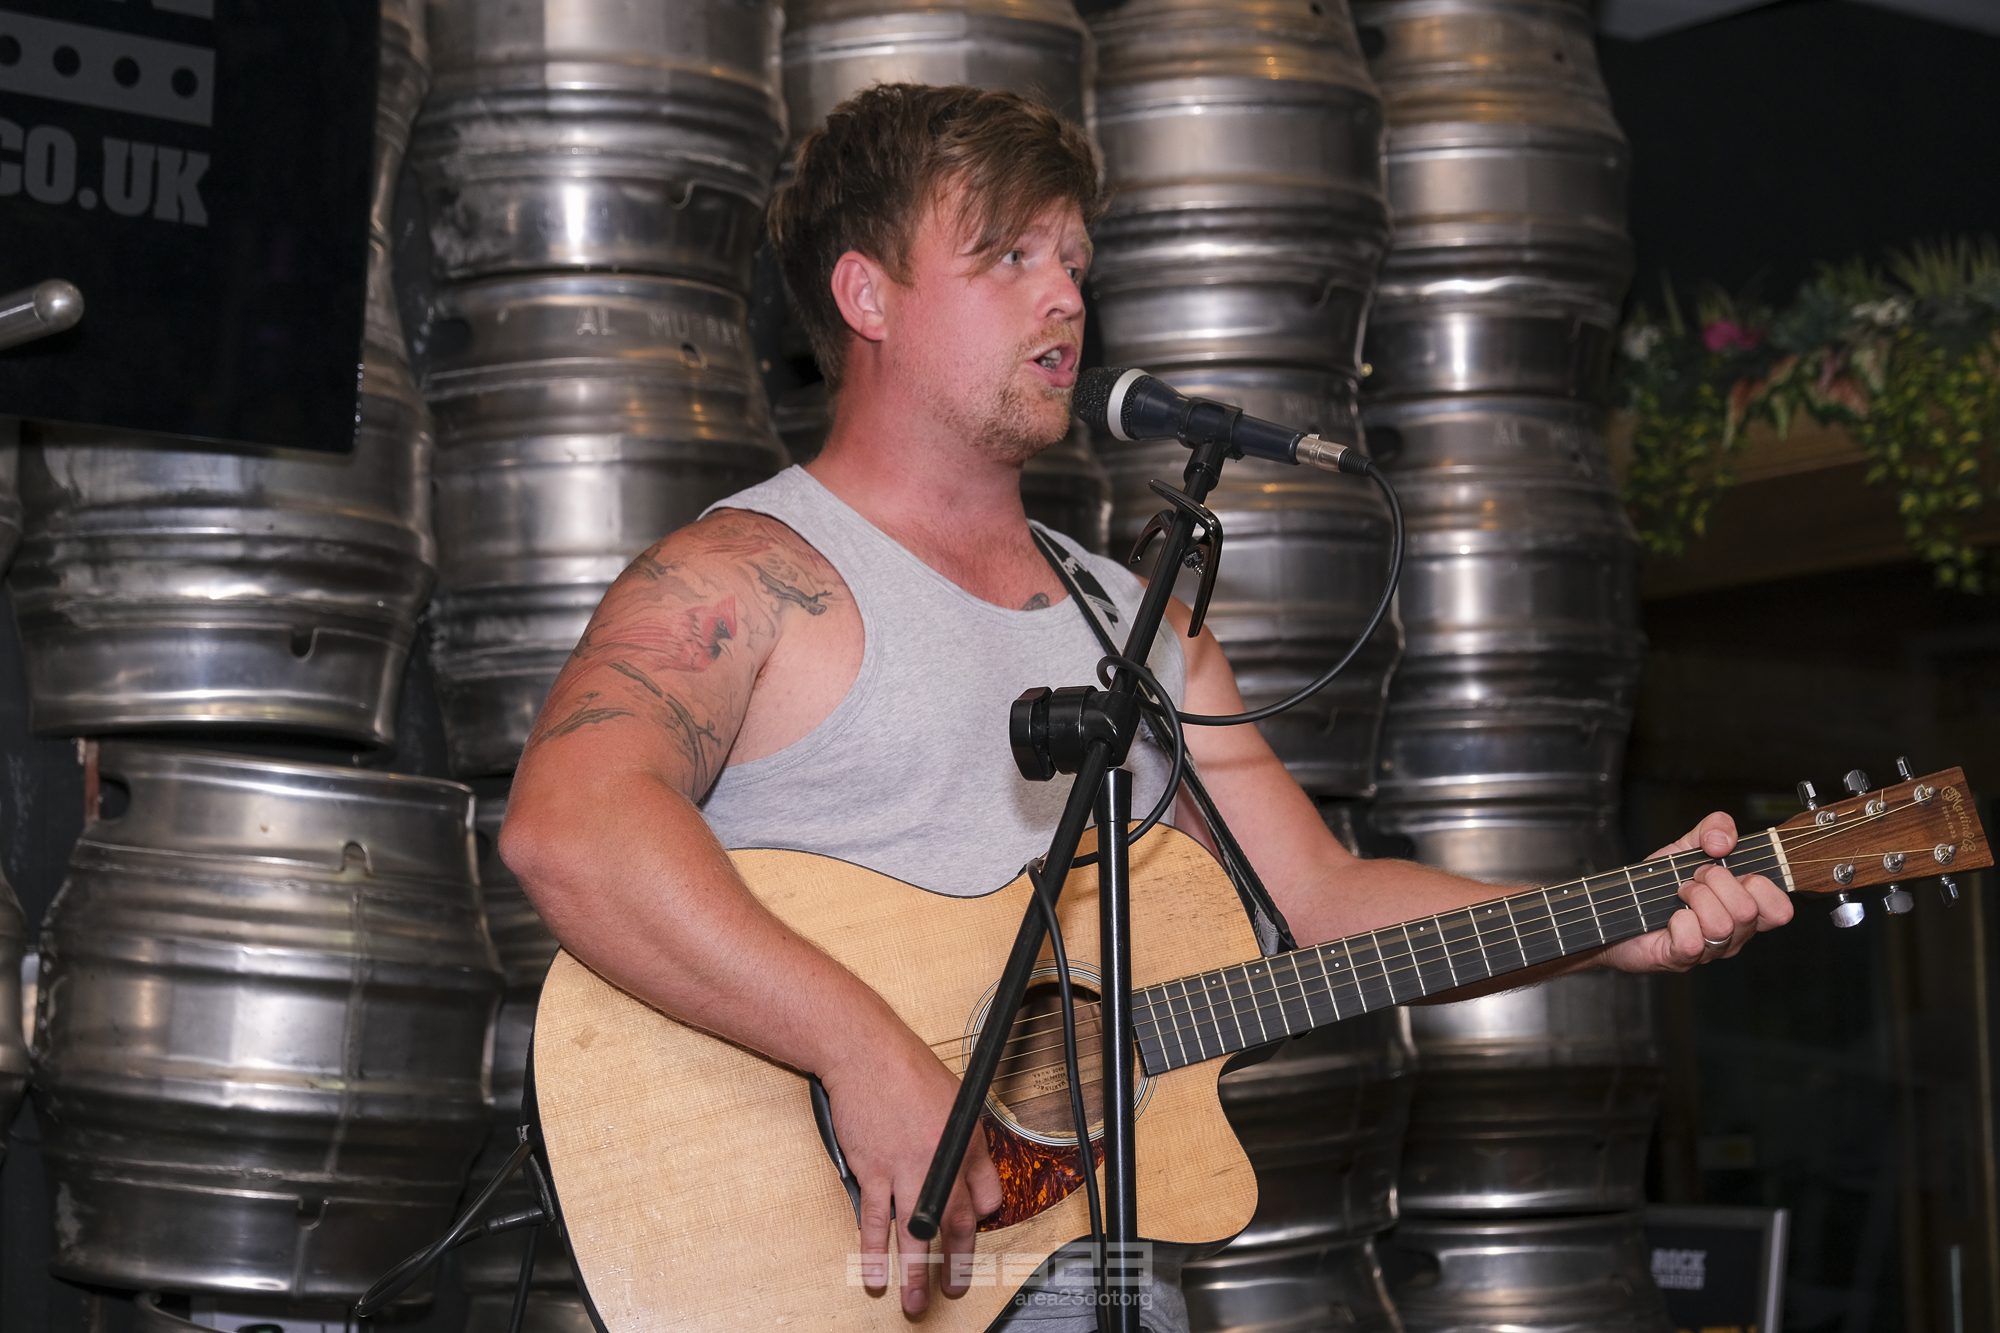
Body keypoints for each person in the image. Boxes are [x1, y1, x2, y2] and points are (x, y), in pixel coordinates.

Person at [498, 83, 1794, 1330]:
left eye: (1074, 260)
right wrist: (864, 1049)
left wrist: (1618, 919)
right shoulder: (742, 577)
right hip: (833, 1273)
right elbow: (569, 827)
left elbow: (1321, 900)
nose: (1065, 294)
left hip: (1099, 1277)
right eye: (1009, 255)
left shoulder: (1145, 624)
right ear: (866, 294)